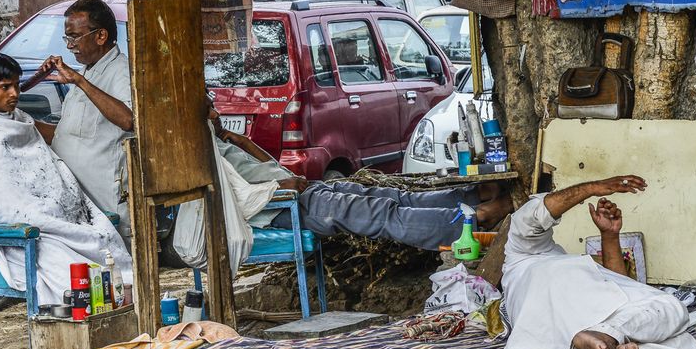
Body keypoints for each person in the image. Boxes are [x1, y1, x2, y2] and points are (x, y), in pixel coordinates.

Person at [0, 53, 131, 305]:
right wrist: (38, 213)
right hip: (25, 226)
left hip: (53, 216)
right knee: (66, 265)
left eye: (16, 85)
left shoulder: (22, 121)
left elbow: (49, 164)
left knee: (103, 243)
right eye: (4, 87)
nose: (14, 93)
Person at [209, 107, 513, 250]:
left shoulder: (220, 142)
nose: (215, 110)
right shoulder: (208, 156)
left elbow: (266, 164)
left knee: (388, 197)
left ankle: (472, 197)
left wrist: (232, 136)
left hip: (298, 190)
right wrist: (283, 186)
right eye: (210, 107)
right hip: (280, 206)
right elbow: (238, 197)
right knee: (380, 214)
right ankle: (474, 220)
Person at [502, 175, 696, 349]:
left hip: (559, 328)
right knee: (672, 309)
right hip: (566, 314)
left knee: (679, 336)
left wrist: (609, 235)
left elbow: (616, 286)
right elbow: (536, 212)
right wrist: (594, 187)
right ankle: (611, 339)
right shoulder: (521, 253)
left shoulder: (546, 265)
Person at [34, 0, 134, 218]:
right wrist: (22, 122)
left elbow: (128, 120)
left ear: (100, 36)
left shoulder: (120, 70)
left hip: (106, 202)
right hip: (78, 202)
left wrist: (79, 81)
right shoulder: (88, 71)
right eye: (67, 38)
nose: (70, 46)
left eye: (75, 37)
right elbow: (65, 135)